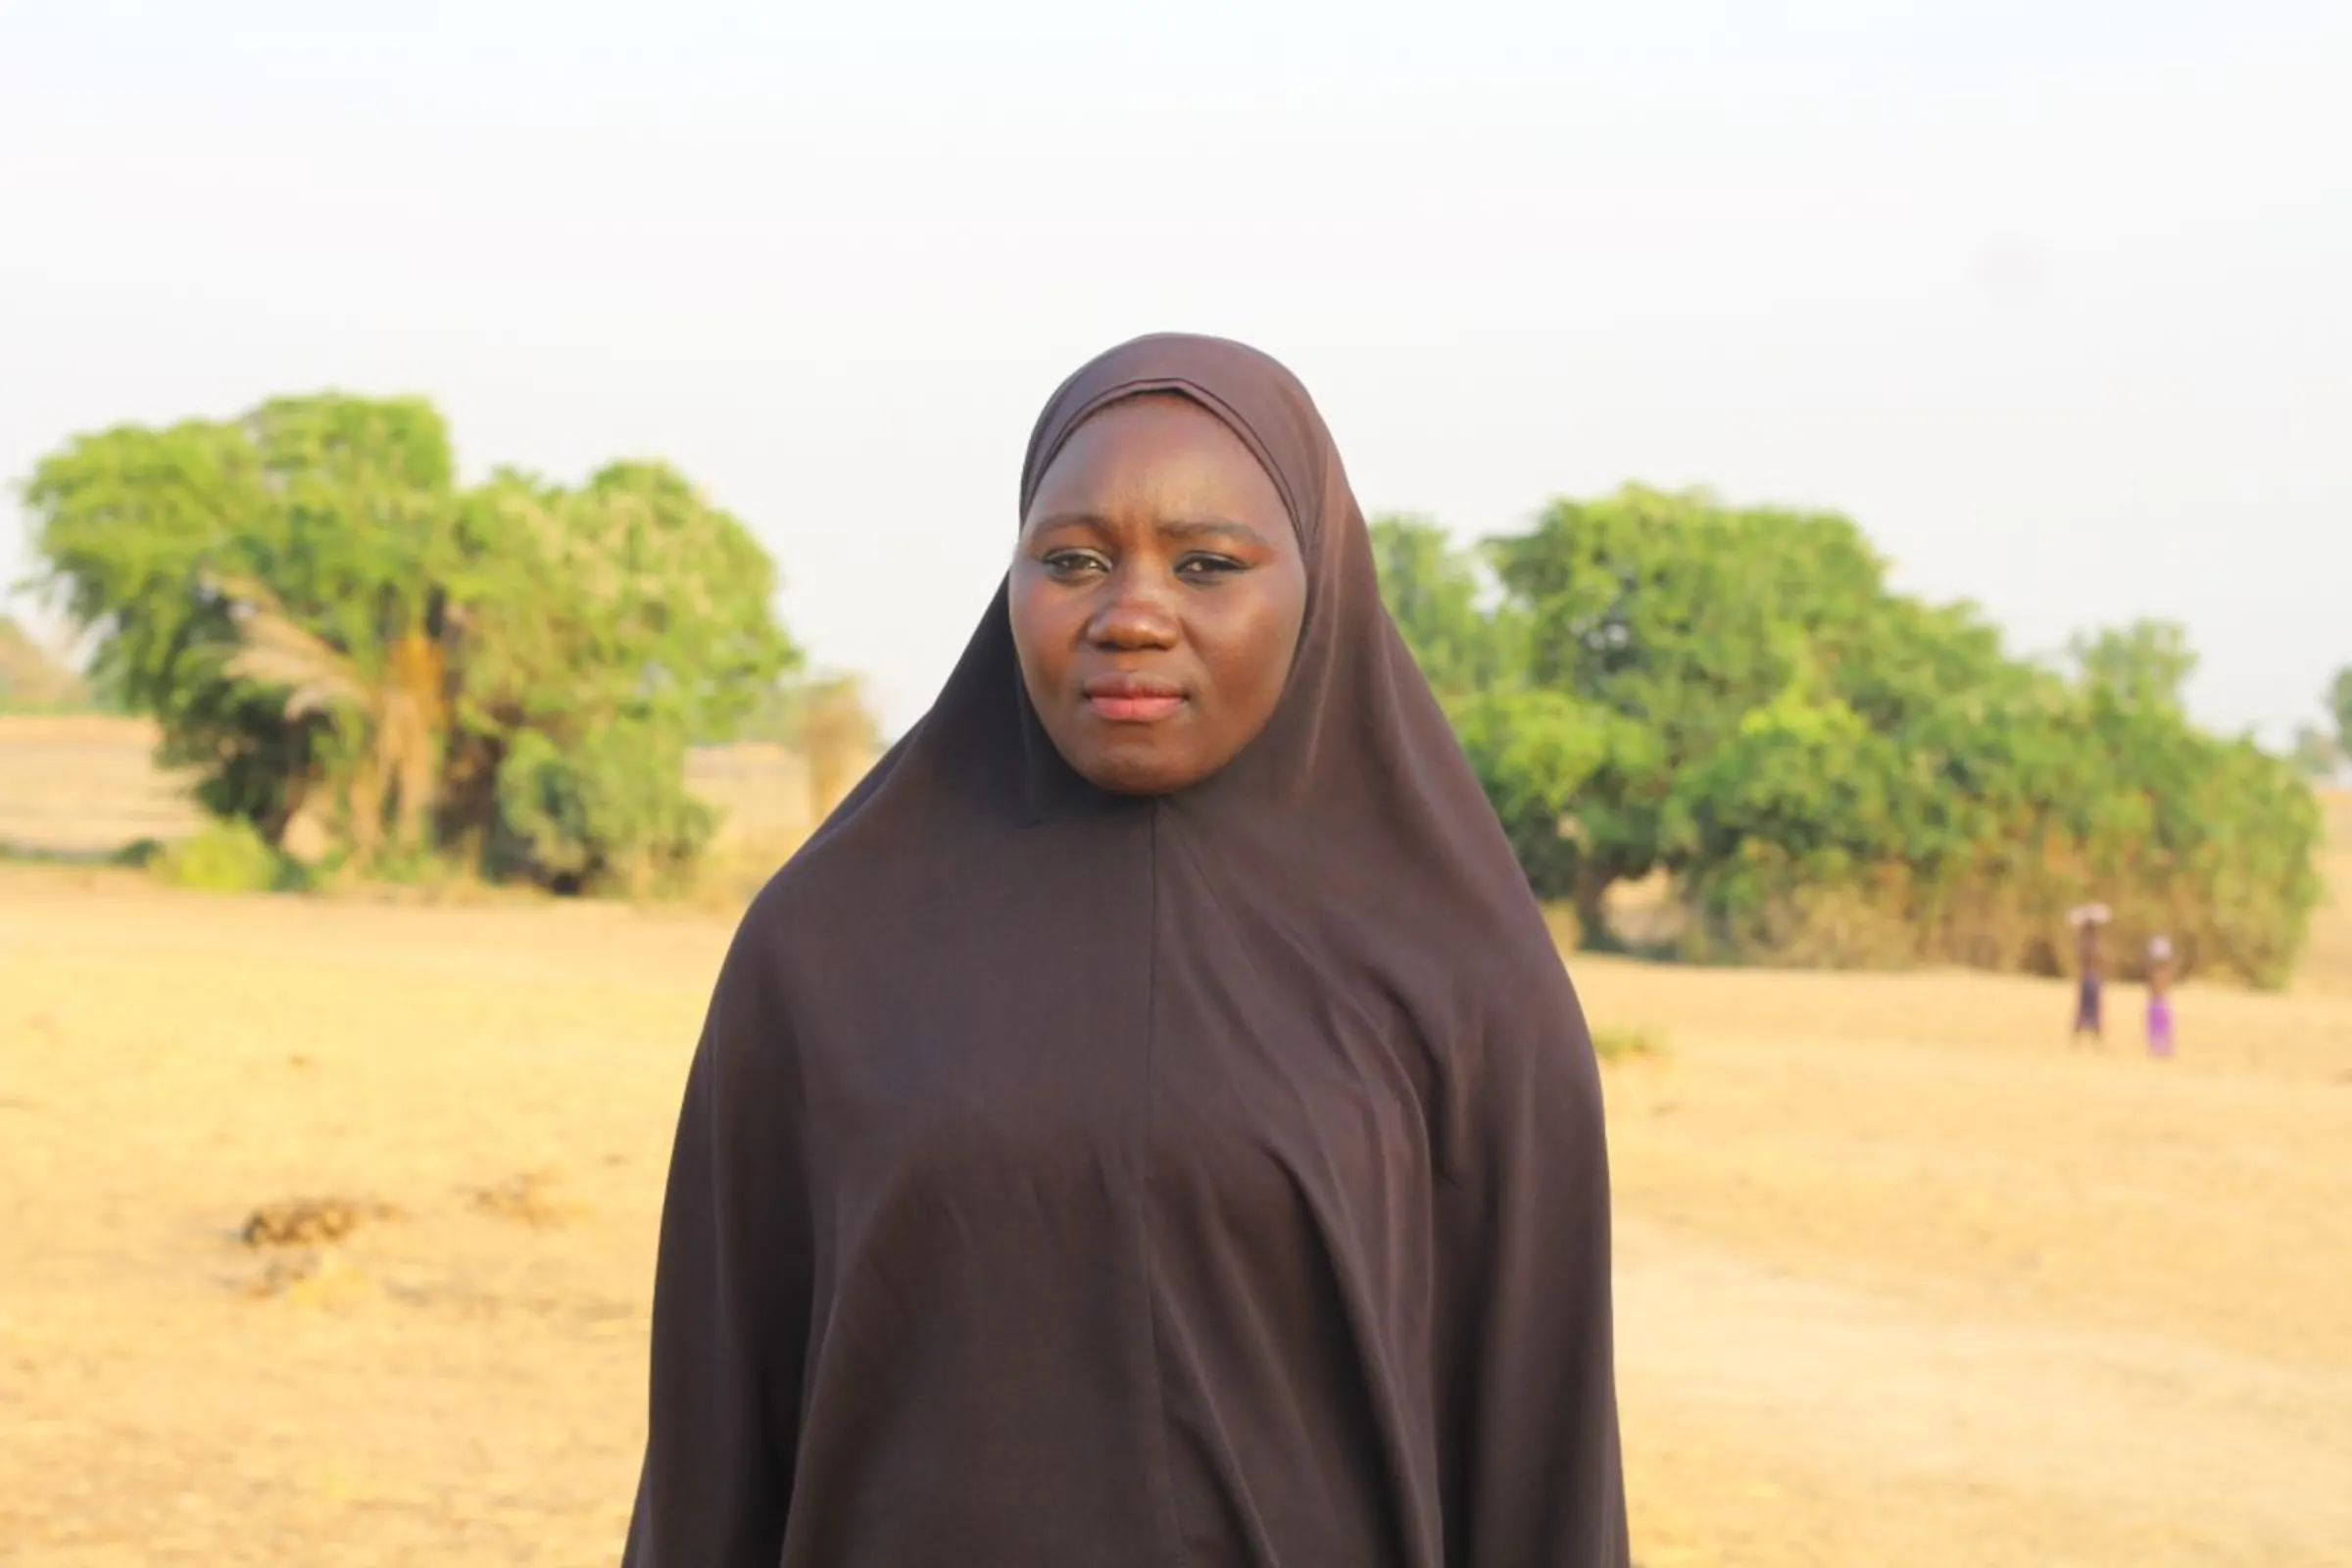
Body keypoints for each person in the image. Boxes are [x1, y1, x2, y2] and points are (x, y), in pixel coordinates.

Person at [620, 333, 1629, 1566]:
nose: (1133, 615)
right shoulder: (824, 954)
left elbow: (1543, 1470)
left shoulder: (1466, 986)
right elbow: (716, 1448)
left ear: (1323, 587)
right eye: (1074, 560)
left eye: (1207, 564)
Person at [2067, 903, 2110, 1045]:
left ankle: (2088, 1038)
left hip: (2089, 978)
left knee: (2088, 1010)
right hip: (2090, 978)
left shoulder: (2087, 943)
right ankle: (2087, 1038)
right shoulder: (2091, 944)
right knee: (2086, 1010)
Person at [2146, 935, 2177, 1059]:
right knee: (2156, 1025)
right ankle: (2157, 1046)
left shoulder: (2163, 972)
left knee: (2164, 1025)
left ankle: (2164, 1046)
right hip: (2156, 1003)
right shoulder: (2154, 972)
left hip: (2161, 1002)